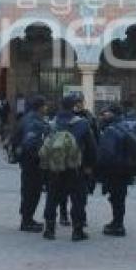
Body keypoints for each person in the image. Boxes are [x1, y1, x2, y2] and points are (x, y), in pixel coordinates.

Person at [41, 93, 97, 241]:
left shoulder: (51, 124)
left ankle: (49, 229)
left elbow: (45, 146)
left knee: (52, 197)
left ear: (60, 105)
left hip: (55, 168)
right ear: (74, 106)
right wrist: (89, 166)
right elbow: (91, 148)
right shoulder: (83, 123)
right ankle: (77, 231)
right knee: (77, 198)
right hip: (76, 167)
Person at [9, 94, 50, 232]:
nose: (46, 108)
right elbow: (31, 143)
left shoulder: (26, 118)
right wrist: (40, 157)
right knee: (32, 191)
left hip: (27, 161)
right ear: (40, 107)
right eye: (45, 105)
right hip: (33, 163)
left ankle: (27, 219)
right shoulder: (33, 121)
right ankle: (26, 221)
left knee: (29, 191)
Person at [96, 104, 131, 237]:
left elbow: (107, 153)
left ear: (113, 114)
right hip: (126, 167)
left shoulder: (111, 130)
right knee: (120, 197)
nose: (104, 115)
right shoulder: (127, 126)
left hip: (114, 169)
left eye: (106, 113)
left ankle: (117, 225)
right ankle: (118, 222)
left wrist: (99, 169)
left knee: (116, 197)